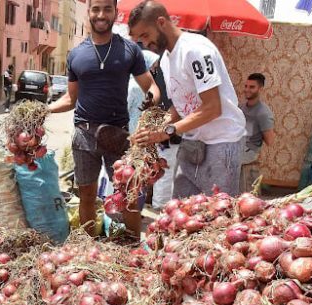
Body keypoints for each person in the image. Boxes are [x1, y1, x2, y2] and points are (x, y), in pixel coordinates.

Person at [49, 0, 159, 237]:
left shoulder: (129, 50)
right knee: (86, 194)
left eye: (107, 9)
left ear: (115, 13)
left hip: (118, 134)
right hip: (84, 135)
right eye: (96, 9)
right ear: (88, 12)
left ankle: (131, 245)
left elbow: (152, 88)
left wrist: (149, 110)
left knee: (128, 194)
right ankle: (89, 245)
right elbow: (70, 98)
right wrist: (45, 110)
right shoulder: (76, 54)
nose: (101, 15)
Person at [129, 0, 246, 197]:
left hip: (222, 140)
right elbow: (182, 103)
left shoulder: (195, 50)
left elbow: (213, 108)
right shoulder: (166, 59)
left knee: (217, 213)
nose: (145, 44)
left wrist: (168, 130)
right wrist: (160, 125)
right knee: (180, 210)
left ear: (161, 22)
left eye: (146, 35)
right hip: (193, 141)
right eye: (140, 39)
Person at [239, 72, 275, 192]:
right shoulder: (242, 107)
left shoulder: (263, 113)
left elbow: (270, 140)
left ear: (260, 89)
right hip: (238, 144)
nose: (247, 90)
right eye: (246, 86)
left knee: (223, 158)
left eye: (252, 87)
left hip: (249, 150)